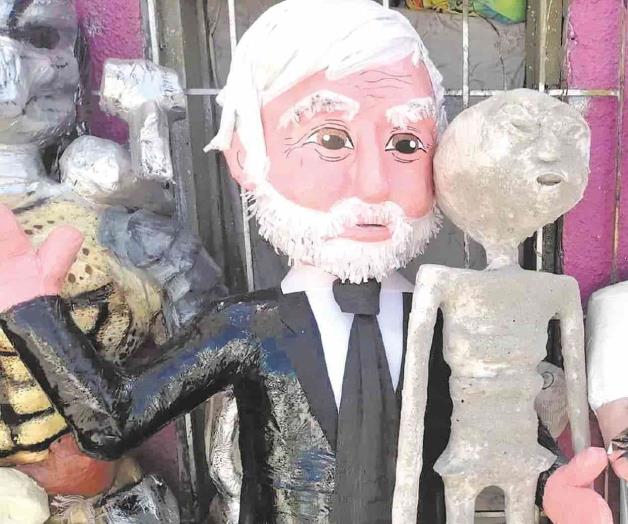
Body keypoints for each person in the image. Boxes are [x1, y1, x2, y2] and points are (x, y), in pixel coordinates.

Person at [0, 0, 613, 522]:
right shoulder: (247, 327)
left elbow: (494, 425)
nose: (374, 183)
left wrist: (548, 485)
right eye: (331, 140)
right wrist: (32, 314)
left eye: (405, 143)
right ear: (247, 156)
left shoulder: (448, 321)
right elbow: (113, 421)